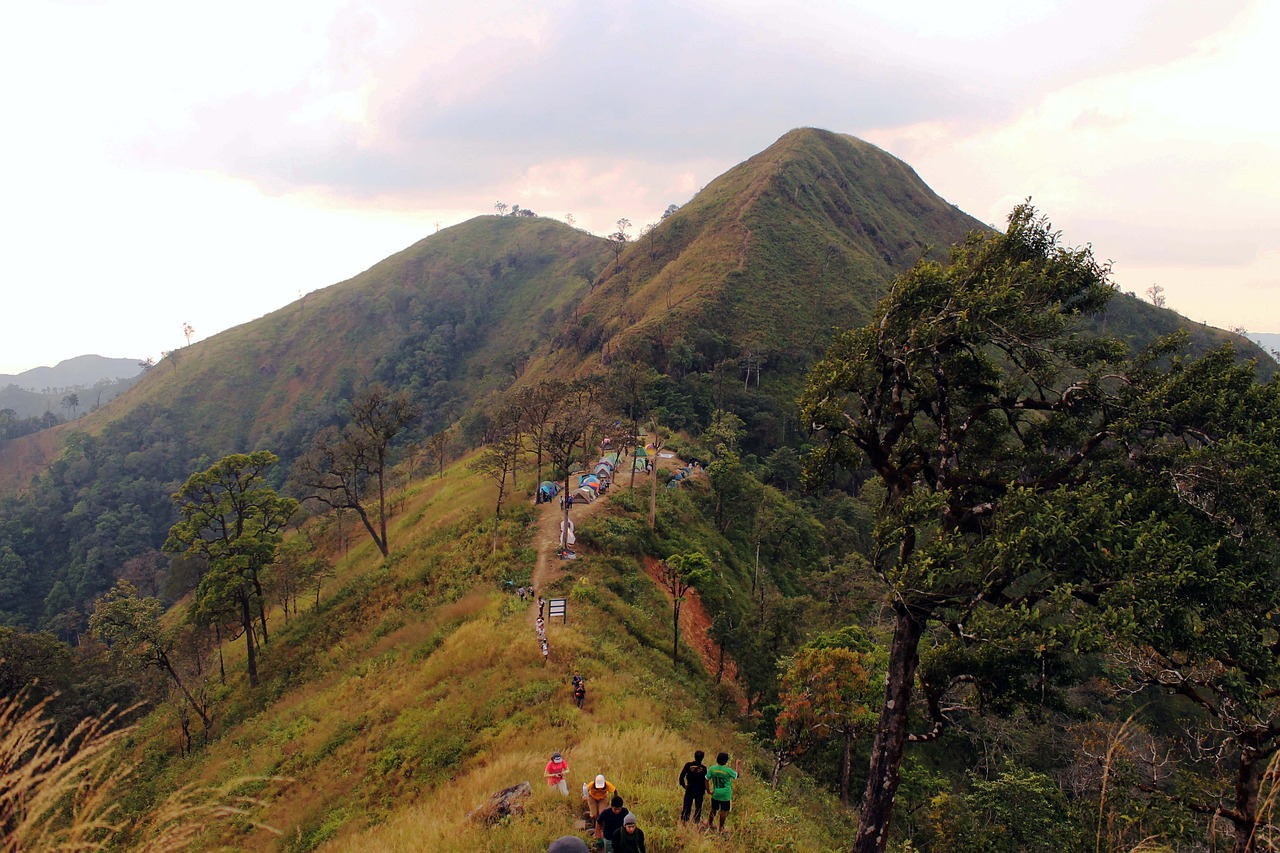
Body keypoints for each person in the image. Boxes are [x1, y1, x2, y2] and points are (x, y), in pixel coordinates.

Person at [706, 752, 740, 832]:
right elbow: (737, 775)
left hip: (716, 793)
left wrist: (708, 790)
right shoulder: (728, 770)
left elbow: (706, 779)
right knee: (723, 811)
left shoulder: (712, 769)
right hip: (725, 795)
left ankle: (710, 823)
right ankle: (721, 827)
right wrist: (737, 764)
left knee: (713, 809)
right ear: (725, 761)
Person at [678, 749, 708, 822]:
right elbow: (705, 780)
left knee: (687, 806)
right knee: (698, 807)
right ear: (702, 758)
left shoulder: (688, 765)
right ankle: (696, 822)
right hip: (699, 790)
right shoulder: (704, 768)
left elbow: (681, 777)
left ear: (694, 756)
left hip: (690, 788)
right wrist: (705, 789)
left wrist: (684, 785)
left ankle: (684, 821)